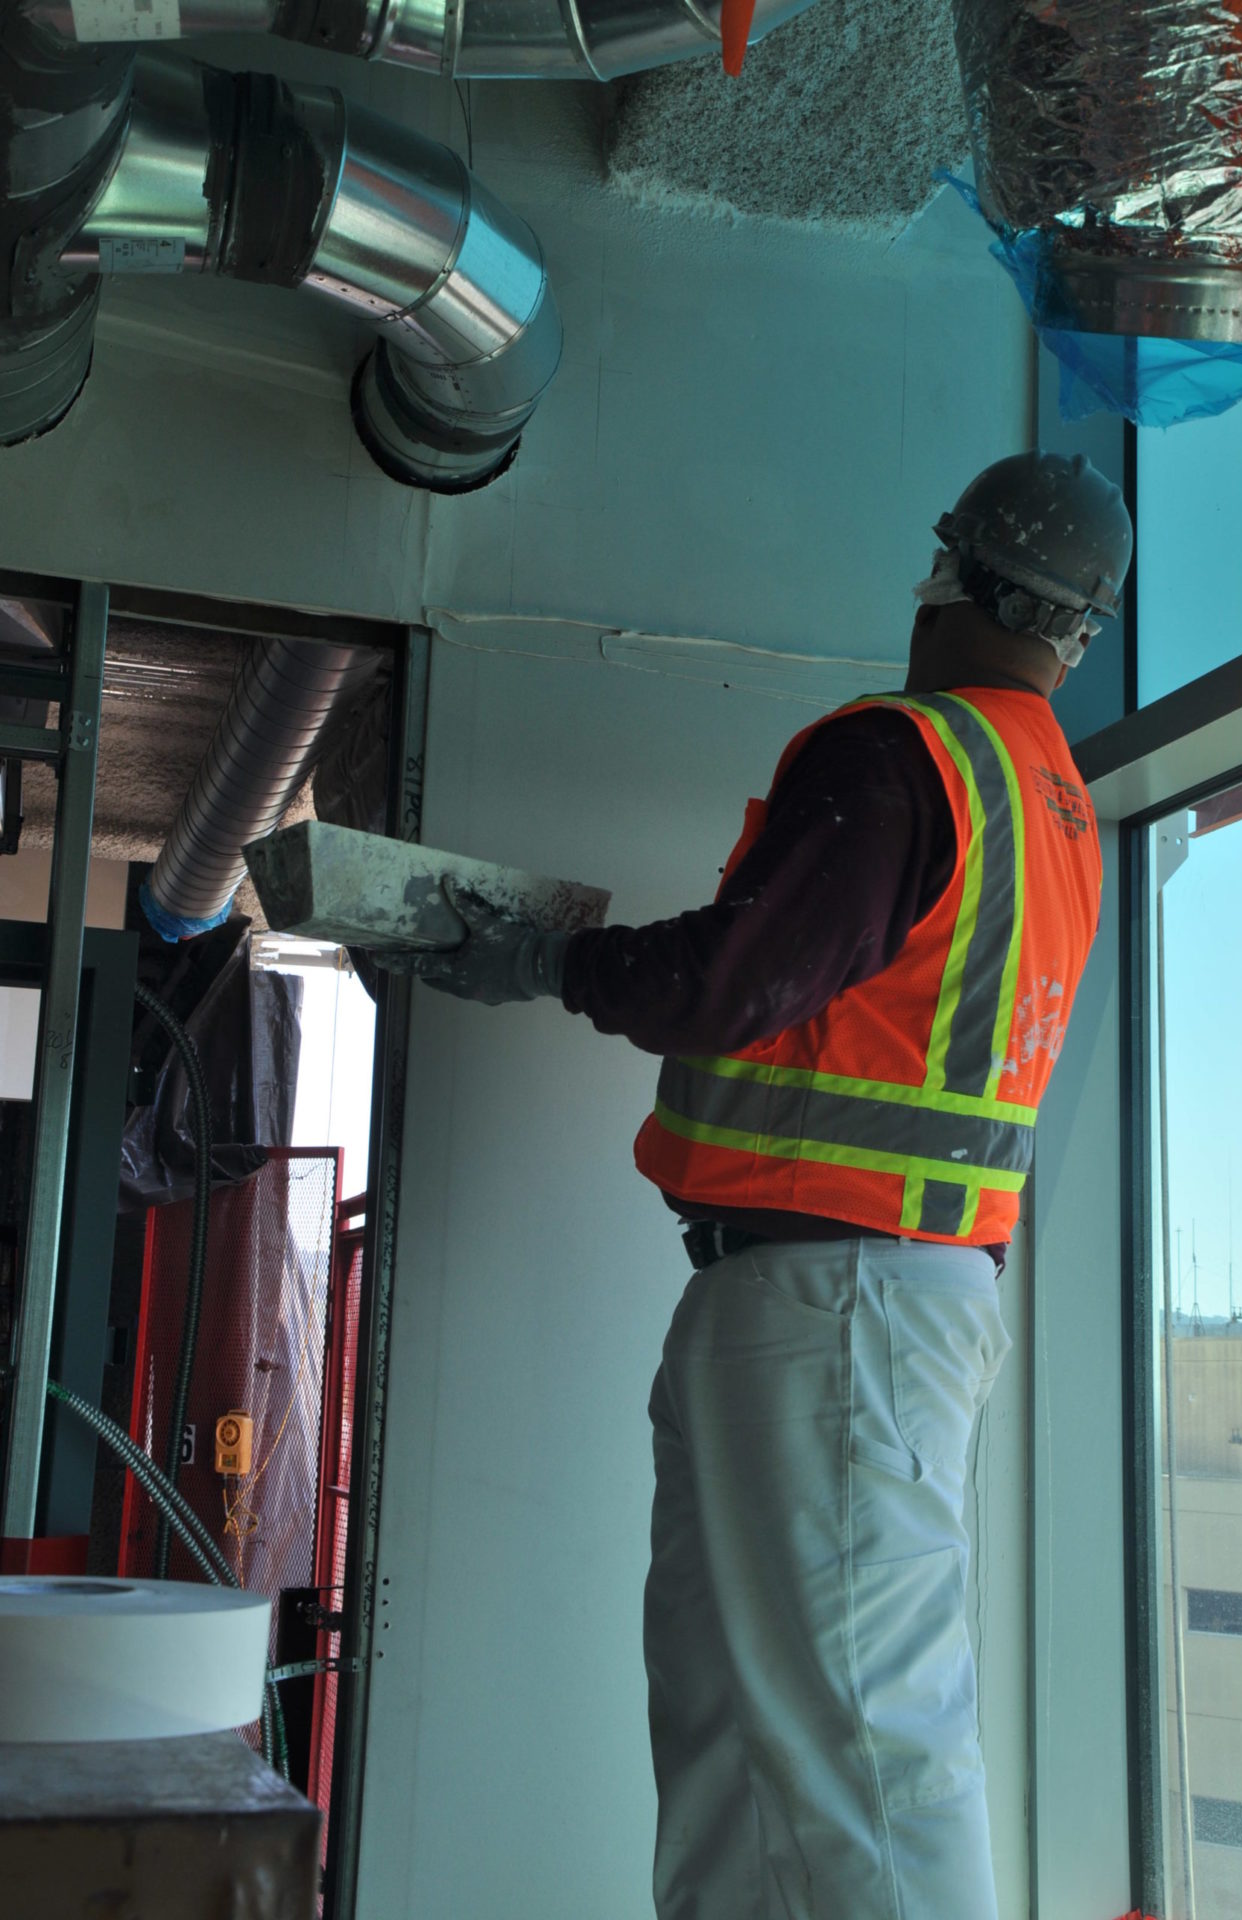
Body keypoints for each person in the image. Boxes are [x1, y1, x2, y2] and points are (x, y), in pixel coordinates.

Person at [382, 450, 1133, 1920]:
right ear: (1080, 628)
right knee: (737, 1719)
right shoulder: (1052, 806)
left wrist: (536, 956)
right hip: (850, 1300)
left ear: (955, 578)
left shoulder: (914, 754)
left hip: (834, 1306)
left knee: (864, 1736)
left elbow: (734, 981)